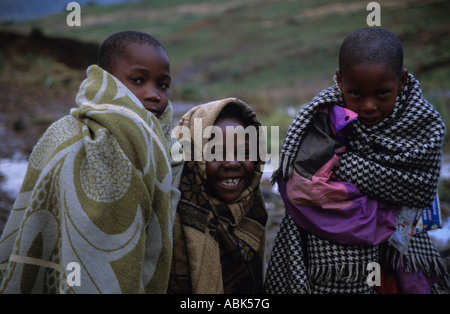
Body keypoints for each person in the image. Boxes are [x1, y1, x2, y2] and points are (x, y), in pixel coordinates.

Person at [265, 27, 448, 294]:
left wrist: (344, 166)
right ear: (340, 81)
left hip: (401, 250)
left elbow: (420, 187)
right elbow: (300, 185)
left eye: (382, 93)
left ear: (402, 80)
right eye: (357, 94)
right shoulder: (320, 119)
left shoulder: (423, 123)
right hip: (334, 252)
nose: (369, 106)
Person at [0, 30, 183, 293]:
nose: (153, 94)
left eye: (162, 85)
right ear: (106, 81)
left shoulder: (165, 146)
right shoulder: (64, 134)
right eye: (138, 80)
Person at [167, 98, 268, 293]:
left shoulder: (253, 210)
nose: (232, 163)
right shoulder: (167, 221)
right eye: (215, 152)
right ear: (192, 157)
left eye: (244, 151)